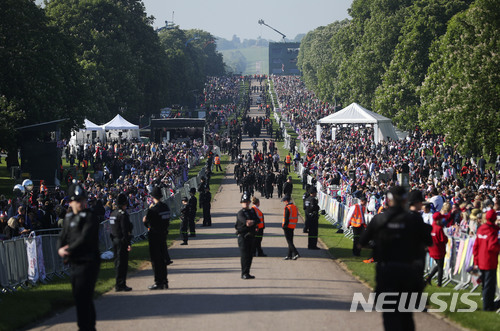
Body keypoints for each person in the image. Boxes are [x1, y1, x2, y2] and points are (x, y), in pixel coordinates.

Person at [359, 186, 432, 331]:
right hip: (408, 271)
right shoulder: (413, 220)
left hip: (387, 271)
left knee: (389, 315)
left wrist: (377, 244)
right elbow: (428, 241)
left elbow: (362, 242)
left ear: (389, 200)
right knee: (406, 316)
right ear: (405, 200)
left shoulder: (380, 218)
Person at [57, 183, 100, 331]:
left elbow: (85, 237)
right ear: (71, 202)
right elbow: (61, 238)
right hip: (74, 262)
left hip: (88, 261)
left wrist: (68, 249)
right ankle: (89, 326)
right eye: (78, 200)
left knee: (83, 295)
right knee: (80, 296)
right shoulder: (68, 218)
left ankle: (85, 327)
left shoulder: (90, 216)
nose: (81, 203)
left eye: (83, 200)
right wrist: (60, 249)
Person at [143, 186, 170, 290]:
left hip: (154, 235)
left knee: (156, 260)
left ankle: (158, 281)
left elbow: (147, 223)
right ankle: (165, 280)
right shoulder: (165, 207)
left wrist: (145, 220)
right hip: (163, 234)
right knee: (163, 258)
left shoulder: (153, 210)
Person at [472, 209, 500, 311]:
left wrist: (475, 260)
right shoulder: (492, 231)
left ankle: (487, 304)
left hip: (480, 260)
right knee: (490, 285)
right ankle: (488, 306)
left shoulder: (481, 228)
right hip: (489, 261)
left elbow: (476, 246)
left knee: (485, 284)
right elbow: (492, 247)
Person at [110, 193, 133, 292]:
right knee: (122, 264)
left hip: (114, 240)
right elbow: (125, 230)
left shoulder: (113, 214)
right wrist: (128, 243)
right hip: (122, 241)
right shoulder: (122, 215)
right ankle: (121, 284)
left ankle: (119, 283)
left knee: (117, 262)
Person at [235, 192, 259, 279]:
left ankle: (247, 272)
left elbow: (257, 220)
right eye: (244, 201)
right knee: (244, 255)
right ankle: (244, 273)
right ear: (241, 202)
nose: (246, 203)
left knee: (250, 255)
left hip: (251, 236)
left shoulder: (252, 211)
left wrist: (253, 222)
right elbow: (247, 223)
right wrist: (252, 222)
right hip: (243, 236)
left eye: (247, 201)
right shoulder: (240, 213)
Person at [426, 212, 448, 287]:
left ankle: (429, 278)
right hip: (439, 250)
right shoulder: (439, 228)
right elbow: (443, 240)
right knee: (440, 267)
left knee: (438, 265)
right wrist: (446, 238)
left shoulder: (431, 227)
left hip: (432, 249)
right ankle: (439, 284)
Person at [282, 195, 300, 260]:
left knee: (289, 241)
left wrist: (284, 226)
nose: (284, 202)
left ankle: (296, 253)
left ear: (286, 201)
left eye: (284, 201)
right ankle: (289, 255)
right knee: (291, 240)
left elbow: (286, 218)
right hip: (292, 225)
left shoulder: (287, 207)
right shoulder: (294, 207)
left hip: (287, 226)